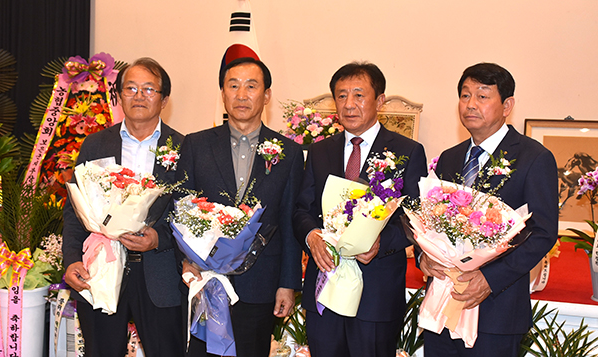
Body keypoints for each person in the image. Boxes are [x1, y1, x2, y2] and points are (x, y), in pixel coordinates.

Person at [421, 63, 559, 356]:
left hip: (497, 311)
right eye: (465, 95)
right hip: (444, 306)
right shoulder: (450, 158)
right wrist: (426, 257)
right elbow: (433, 224)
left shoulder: (534, 158)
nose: (470, 104)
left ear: (507, 105)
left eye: (482, 96)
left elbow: (543, 233)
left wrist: (489, 279)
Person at [293, 62, 427, 357]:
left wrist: (381, 243)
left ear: (379, 101)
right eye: (341, 96)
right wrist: (311, 236)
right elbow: (302, 208)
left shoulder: (407, 151)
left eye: (358, 95)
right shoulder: (319, 151)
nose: (349, 104)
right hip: (325, 288)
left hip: (376, 292)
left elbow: (415, 218)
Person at [177, 57, 304, 357]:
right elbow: (180, 208)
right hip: (204, 279)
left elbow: (288, 221)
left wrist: (287, 284)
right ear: (222, 92)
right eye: (233, 86)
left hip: (259, 283)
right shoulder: (196, 145)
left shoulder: (289, 153)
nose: (242, 95)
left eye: (251, 86)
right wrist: (186, 260)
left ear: (267, 94)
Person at [62, 57, 184, 356]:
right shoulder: (95, 145)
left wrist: (159, 238)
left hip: (160, 276)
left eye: (149, 89)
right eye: (130, 88)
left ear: (164, 98)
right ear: (118, 95)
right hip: (101, 270)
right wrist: (70, 259)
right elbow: (76, 210)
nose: (139, 96)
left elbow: (189, 213)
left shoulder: (183, 147)